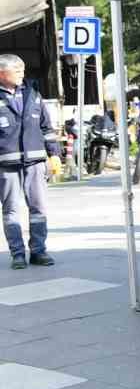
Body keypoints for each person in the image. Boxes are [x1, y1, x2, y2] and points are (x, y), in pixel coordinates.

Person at [0, 55, 58, 270]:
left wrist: (54, 154)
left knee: (38, 208)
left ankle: (38, 251)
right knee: (11, 210)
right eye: (17, 70)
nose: (22, 74)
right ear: (2, 73)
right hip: (6, 164)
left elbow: (46, 127)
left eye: (23, 69)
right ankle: (17, 254)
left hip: (35, 161)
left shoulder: (33, 94)